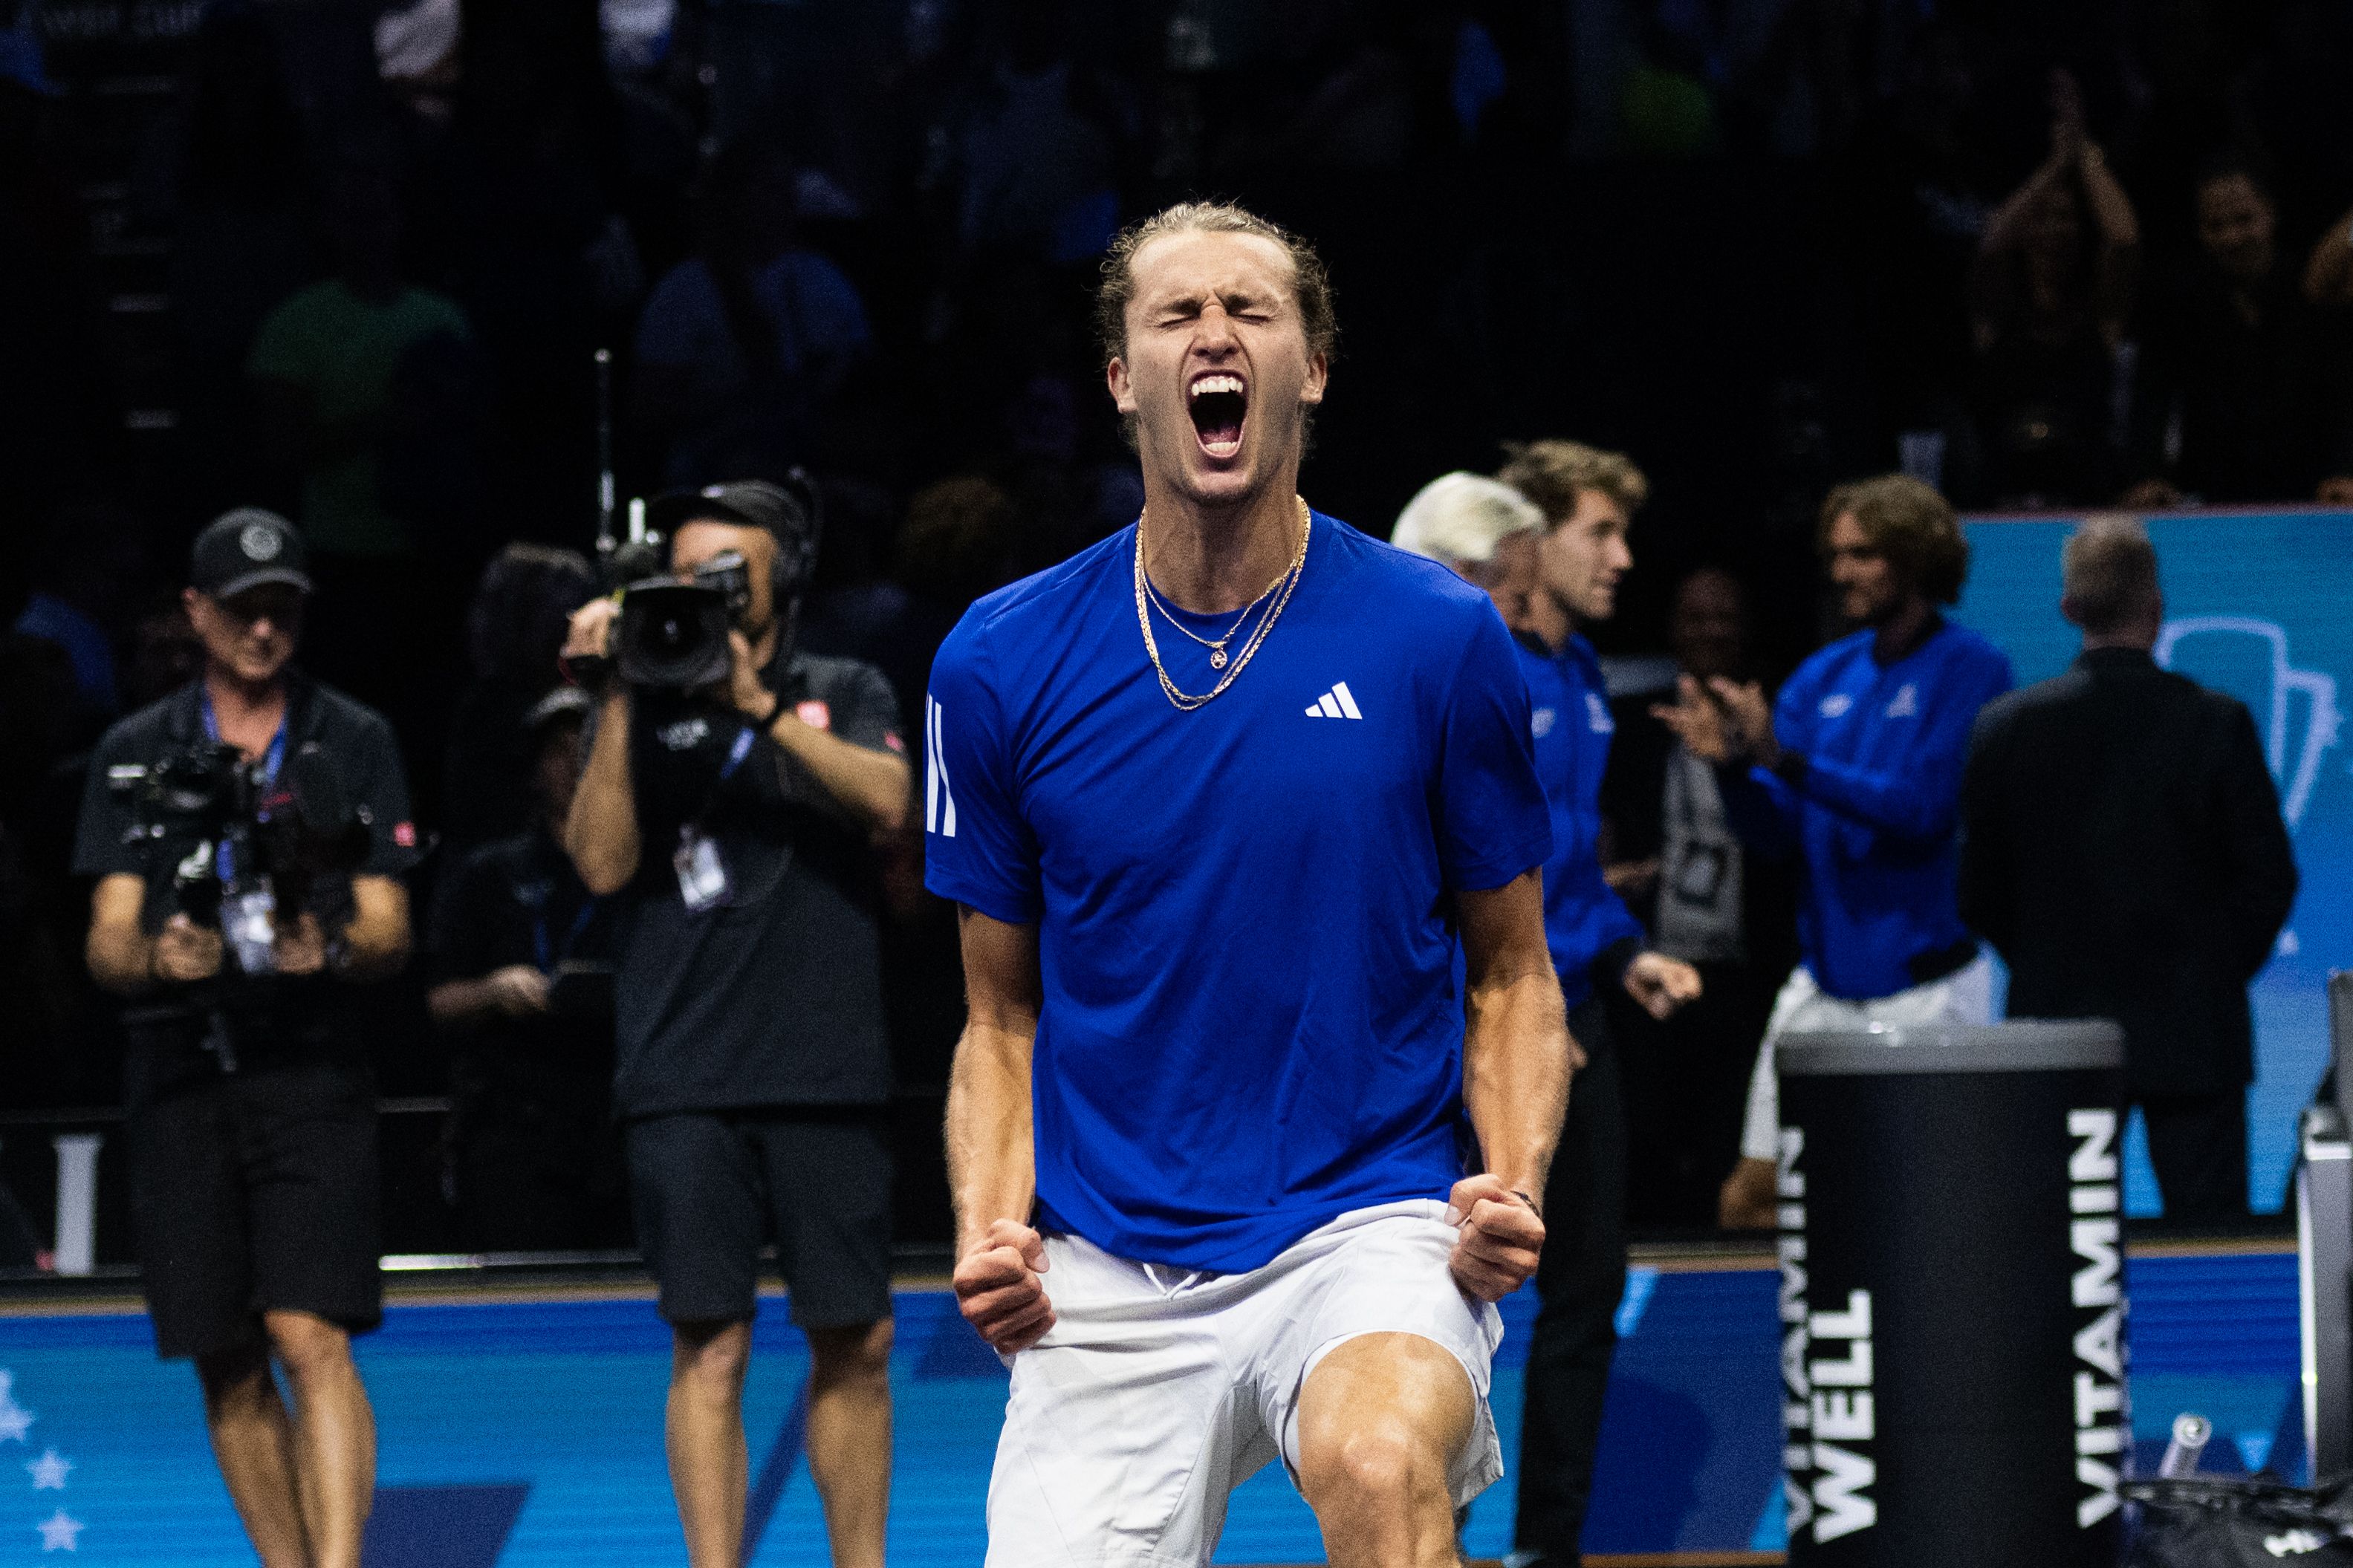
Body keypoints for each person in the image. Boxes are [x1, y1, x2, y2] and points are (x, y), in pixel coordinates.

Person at [929, 201, 1571, 1567]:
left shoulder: (1438, 637)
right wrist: (993, 1224)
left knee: (1378, 1458)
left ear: (1312, 367)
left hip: (1367, 1221)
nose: (1212, 334)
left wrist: (1509, 1176)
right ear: (1122, 381)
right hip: (1105, 1259)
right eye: (1174, 314)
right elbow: (999, 1017)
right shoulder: (997, 659)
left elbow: (1514, 971)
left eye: (1252, 311)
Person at [559, 478, 906, 1568]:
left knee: (856, 1337)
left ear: (784, 581)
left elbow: (894, 804)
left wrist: (757, 706)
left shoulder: (838, 684)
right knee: (707, 1341)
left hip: (825, 1063)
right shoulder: (637, 704)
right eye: (685, 574)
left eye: (728, 574)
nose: (703, 594)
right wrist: (619, 691)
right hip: (680, 1073)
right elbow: (602, 861)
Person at [71, 507, 417, 1568]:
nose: (263, 630)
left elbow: (391, 927)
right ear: (196, 612)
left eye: (282, 610)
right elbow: (106, 940)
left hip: (309, 1065)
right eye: (242, 610)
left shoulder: (351, 736)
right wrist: (156, 959)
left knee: (311, 1334)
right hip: (180, 1069)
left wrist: (339, 948)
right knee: (224, 1357)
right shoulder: (138, 750)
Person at [1654, 475, 2013, 1230]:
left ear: (1915, 559)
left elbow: (1921, 811)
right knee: (1748, 1200)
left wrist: (1783, 761)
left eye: (1864, 555)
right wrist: (1730, 768)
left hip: (1929, 988)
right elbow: (1776, 835)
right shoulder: (1820, 676)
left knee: (1934, 1210)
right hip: (1822, 983)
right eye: (1836, 554)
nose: (1840, 571)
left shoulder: (1971, 669)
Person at [1958, 517, 2296, 1223]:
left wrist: (2045, 961)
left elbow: (1977, 890)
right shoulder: (2215, 722)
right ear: (2156, 608)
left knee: (2058, 1246)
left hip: (2057, 1032)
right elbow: (2268, 876)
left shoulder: (2004, 727)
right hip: (2194, 1031)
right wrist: (2210, 966)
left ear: (2068, 609)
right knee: (2209, 1252)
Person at [1492, 441, 1702, 1567]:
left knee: (1585, 1291)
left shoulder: (1578, 677)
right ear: (1529, 541)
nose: (1622, 558)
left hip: (1581, 1024)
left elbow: (1566, 873)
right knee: (1449, 1295)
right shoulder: (1480, 668)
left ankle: (1545, 1548)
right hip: (1478, 1035)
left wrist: (1626, 956)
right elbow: (1449, 875)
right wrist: (1517, 1014)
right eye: (1598, 534)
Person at [1600, 567, 1801, 1230]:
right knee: (1648, 1138)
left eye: (1724, 618)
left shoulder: (1775, 721)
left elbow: (1789, 840)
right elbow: (1598, 825)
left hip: (1749, 974)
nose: (1710, 631)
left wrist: (1740, 759)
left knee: (1732, 1145)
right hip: (1650, 967)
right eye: (1695, 618)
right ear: (1672, 630)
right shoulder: (1633, 726)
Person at [426, 686, 626, 1250]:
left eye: (589, 745)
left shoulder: (646, 873)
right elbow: (436, 1001)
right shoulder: (489, 872)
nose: (576, 762)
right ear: (537, 768)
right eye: (559, 750)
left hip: (620, 1119)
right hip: (518, 1125)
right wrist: (491, 991)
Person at [2124, 158, 2353, 507]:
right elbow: (2151, 399)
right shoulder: (2180, 303)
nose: (2232, 238)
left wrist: (2344, 470)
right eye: (2215, 225)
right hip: (2210, 497)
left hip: (2313, 493)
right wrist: (2148, 476)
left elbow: (2344, 392)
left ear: (2270, 215)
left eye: (2244, 220)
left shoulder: (2313, 293)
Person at [1965, 68, 2138, 506]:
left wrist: (2084, 154)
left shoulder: (2098, 308)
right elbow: (1990, 244)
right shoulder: (1998, 306)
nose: (2053, 230)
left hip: (2088, 490)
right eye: (2041, 218)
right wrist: (2055, 166)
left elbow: (2123, 238)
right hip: (2004, 489)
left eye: (2065, 218)